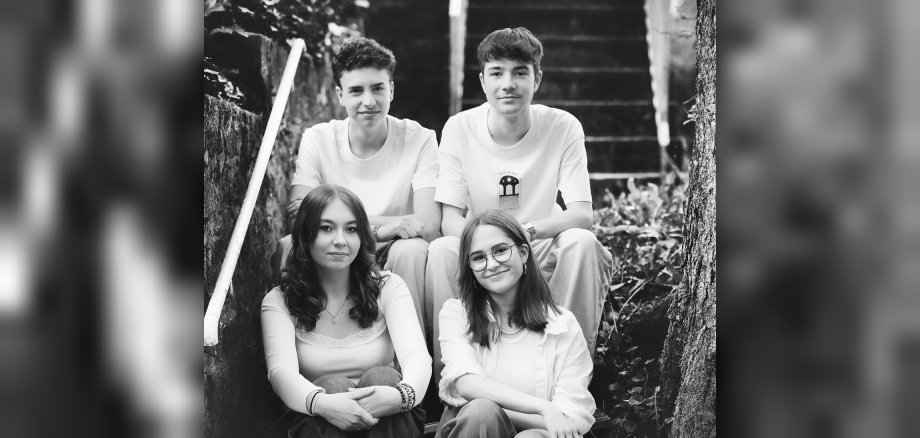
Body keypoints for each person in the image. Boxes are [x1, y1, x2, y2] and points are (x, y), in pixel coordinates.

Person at [426, 27, 613, 378]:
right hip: (480, 249)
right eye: (497, 73)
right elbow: (450, 219)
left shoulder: (563, 126)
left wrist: (523, 233)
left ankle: (569, 371)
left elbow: (582, 215)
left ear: (537, 78)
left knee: (581, 243)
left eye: (519, 72)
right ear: (483, 81)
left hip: (538, 244)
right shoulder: (459, 128)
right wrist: (492, 245)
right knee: (441, 251)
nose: (507, 84)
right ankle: (452, 376)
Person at [276, 36, 440, 332]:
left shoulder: (420, 138)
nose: (369, 101)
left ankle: (410, 362)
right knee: (288, 247)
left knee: (413, 250)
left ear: (391, 88)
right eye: (356, 91)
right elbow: (300, 216)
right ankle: (308, 352)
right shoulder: (319, 138)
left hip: (395, 248)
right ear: (340, 94)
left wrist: (346, 222)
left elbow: (427, 225)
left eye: (378, 88)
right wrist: (382, 228)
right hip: (340, 242)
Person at [262, 185, 432, 438]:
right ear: (305, 235)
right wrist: (324, 404)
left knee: (384, 377)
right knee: (332, 386)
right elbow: (280, 373)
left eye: (351, 229)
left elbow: (418, 358)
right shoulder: (280, 301)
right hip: (320, 423)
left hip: (389, 420)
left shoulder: (388, 287)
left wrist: (400, 396)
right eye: (326, 228)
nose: (340, 240)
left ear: (362, 236)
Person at [436, 210, 596, 438]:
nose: (491, 264)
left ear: (523, 253)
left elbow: (572, 417)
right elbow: (467, 384)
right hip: (475, 429)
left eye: (500, 251)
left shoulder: (562, 324)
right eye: (479, 257)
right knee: (481, 412)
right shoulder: (456, 314)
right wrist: (544, 408)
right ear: (470, 267)